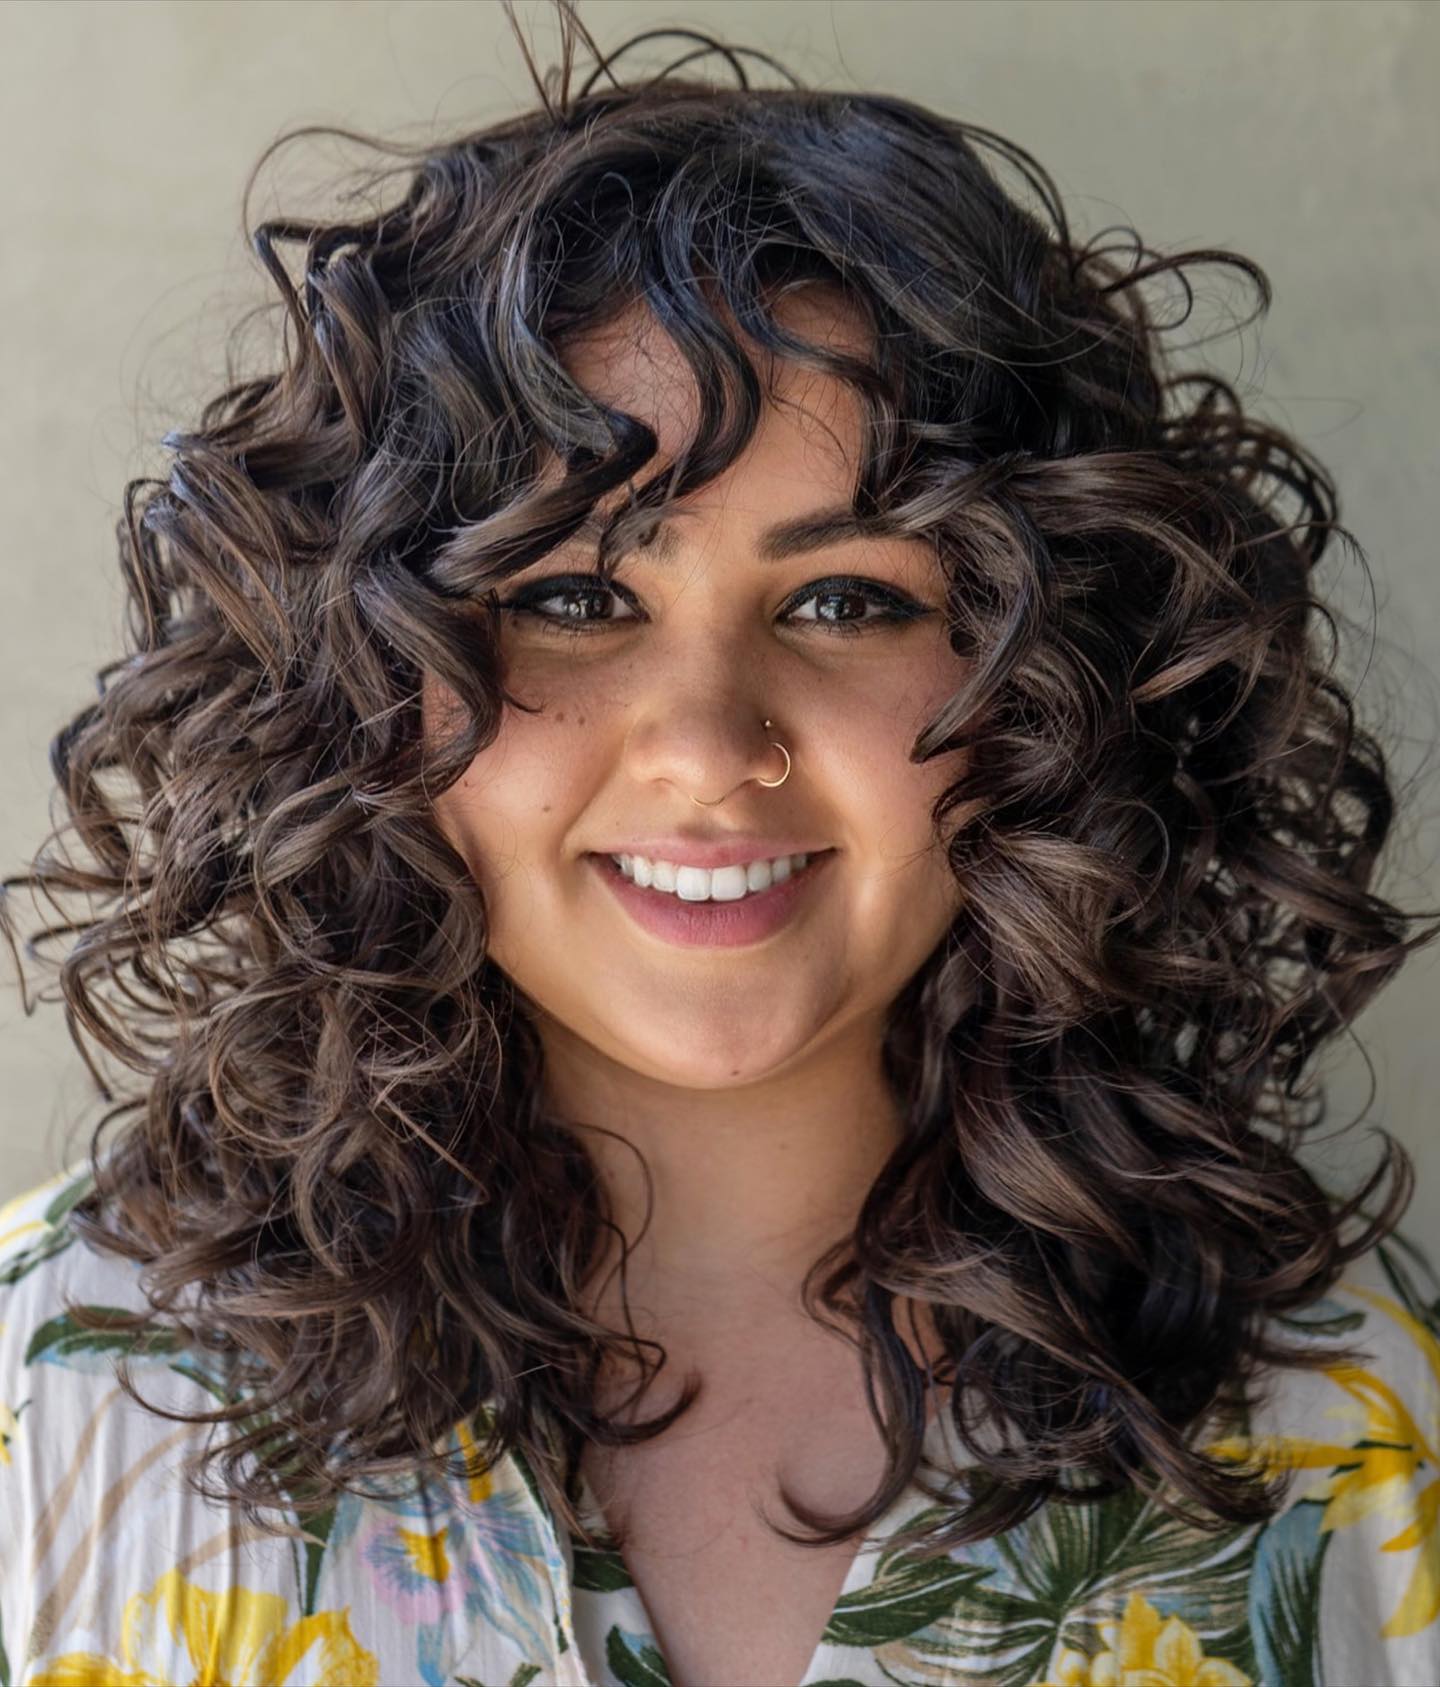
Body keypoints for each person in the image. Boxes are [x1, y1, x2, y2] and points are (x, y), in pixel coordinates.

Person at [2, 3, 1438, 1684]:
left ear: (1048, 689)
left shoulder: (1351, 1423)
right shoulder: (51, 1387)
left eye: (845, 600)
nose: (706, 747)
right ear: (366, 691)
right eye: (574, 599)